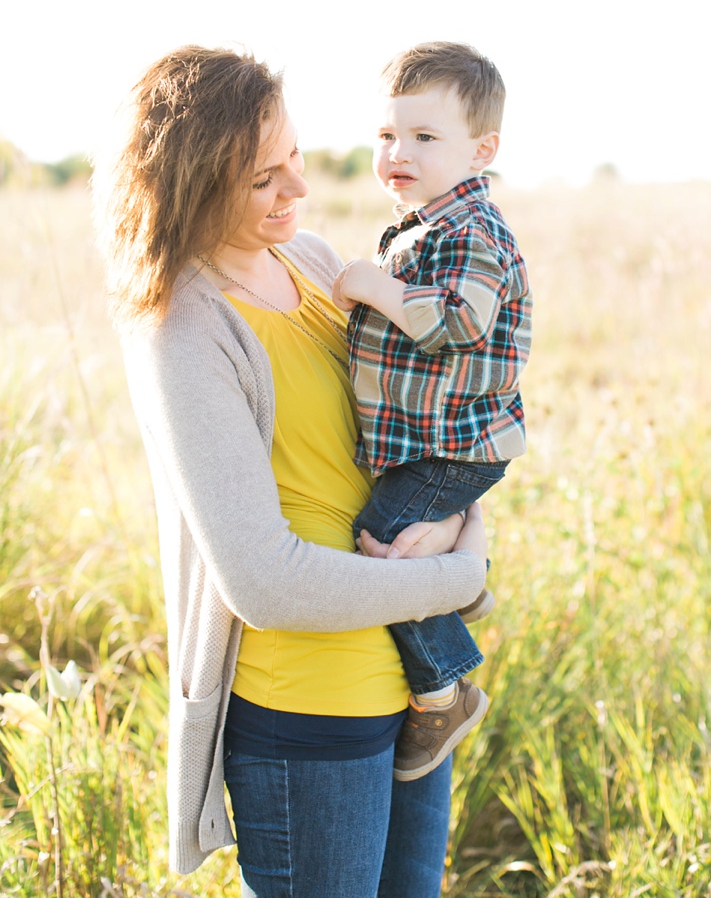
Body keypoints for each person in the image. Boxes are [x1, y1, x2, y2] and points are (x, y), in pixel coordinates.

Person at [94, 45, 488, 898]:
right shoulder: (183, 330)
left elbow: (423, 428)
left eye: (295, 158)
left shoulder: (310, 262)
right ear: (193, 181)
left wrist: (462, 527)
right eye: (262, 177)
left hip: (413, 689)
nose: (298, 190)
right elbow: (263, 584)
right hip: (309, 716)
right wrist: (454, 579)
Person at [332, 41, 532, 783]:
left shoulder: (470, 230)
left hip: (455, 444)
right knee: (397, 542)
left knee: (382, 544)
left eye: (423, 137)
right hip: (434, 440)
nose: (397, 152)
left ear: (481, 150)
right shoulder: (423, 224)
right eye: (388, 134)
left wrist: (376, 288)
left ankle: (442, 689)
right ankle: (460, 580)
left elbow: (461, 321)